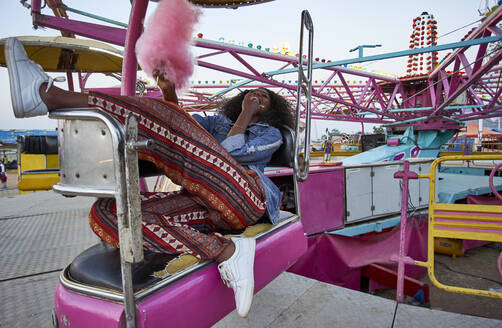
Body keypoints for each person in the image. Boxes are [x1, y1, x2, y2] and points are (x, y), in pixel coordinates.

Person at [4, 37, 294, 318]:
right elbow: (182, 123)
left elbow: (233, 153)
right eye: (251, 94)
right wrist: (168, 92)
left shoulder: (270, 133)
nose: (256, 96)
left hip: (245, 199)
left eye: (264, 97)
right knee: (108, 213)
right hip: (206, 206)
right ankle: (226, 251)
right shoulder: (219, 122)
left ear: (271, 109)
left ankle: (49, 96)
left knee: (172, 123)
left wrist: (247, 112)